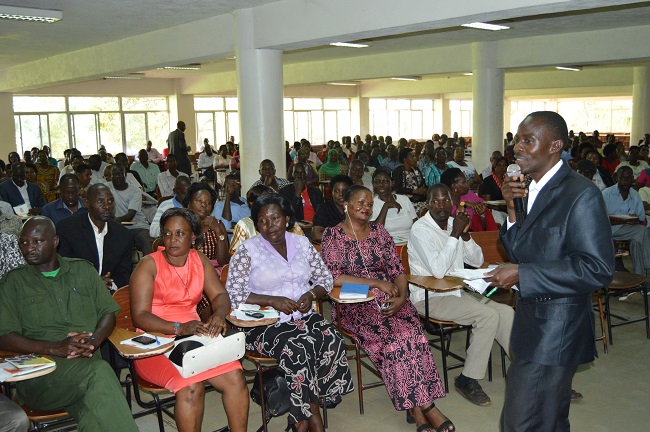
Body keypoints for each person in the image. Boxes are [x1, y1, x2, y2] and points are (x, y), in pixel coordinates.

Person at [485, 111, 614, 432]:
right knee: (549, 421)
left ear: (556, 145)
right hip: (532, 322)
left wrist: (523, 274)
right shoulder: (529, 189)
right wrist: (513, 210)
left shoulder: (580, 194)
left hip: (558, 329)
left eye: (529, 140)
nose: (518, 147)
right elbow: (520, 251)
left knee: (521, 423)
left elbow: (596, 268)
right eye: (517, 139)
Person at [321, 185, 454, 432]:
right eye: (360, 203)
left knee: (412, 333)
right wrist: (376, 282)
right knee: (397, 337)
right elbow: (333, 276)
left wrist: (403, 297)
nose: (366, 208)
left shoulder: (380, 233)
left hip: (391, 300)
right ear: (346, 205)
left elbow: (396, 269)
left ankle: (415, 405)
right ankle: (426, 408)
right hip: (355, 305)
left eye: (370, 204)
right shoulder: (333, 235)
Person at [226, 193, 353, 431]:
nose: (269, 225)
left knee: (332, 338)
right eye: (262, 220)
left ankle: (303, 413)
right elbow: (233, 292)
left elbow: (325, 279)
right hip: (264, 324)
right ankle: (309, 417)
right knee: (299, 348)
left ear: (286, 219)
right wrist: (271, 300)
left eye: (275, 218)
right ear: (256, 223)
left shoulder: (302, 243)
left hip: (303, 316)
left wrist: (311, 295)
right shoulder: (248, 250)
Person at [0, 217, 139, 432]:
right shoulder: (13, 282)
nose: (29, 249)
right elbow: (5, 336)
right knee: (100, 373)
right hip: (42, 378)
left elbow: (108, 312)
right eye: (24, 242)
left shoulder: (83, 271)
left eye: (37, 241)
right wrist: (56, 347)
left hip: (86, 370)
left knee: (95, 418)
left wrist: (95, 339)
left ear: (55, 241)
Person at [130, 208, 249, 432]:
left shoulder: (199, 259)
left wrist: (218, 315)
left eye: (179, 234)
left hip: (195, 337)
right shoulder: (149, 265)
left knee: (236, 378)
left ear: (193, 237)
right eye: (167, 233)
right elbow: (141, 316)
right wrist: (179, 327)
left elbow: (220, 295)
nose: (172, 240)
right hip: (155, 341)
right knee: (192, 387)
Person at [408, 183, 513, 407]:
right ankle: (467, 379)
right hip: (430, 297)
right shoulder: (420, 230)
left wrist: (464, 236)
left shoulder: (452, 225)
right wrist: (455, 234)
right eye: (435, 201)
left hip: (456, 292)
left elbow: (476, 261)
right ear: (428, 204)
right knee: (487, 316)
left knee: (506, 312)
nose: (441, 205)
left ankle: (526, 368)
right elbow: (437, 271)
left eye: (446, 200)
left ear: (453, 203)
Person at [57, 183, 134, 289]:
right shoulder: (67, 229)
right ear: (87, 203)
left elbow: (124, 273)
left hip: (109, 294)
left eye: (110, 201)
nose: (107, 206)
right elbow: (63, 267)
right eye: (100, 201)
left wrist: (110, 284)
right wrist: (93, 283)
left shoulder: (124, 235)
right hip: (76, 291)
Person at [602, 165, 650, 280]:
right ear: (616, 178)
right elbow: (599, 217)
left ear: (633, 179)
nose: (625, 181)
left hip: (629, 229)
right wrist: (614, 219)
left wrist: (634, 219)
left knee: (636, 241)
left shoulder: (634, 195)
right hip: (609, 229)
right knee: (641, 231)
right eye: (622, 178)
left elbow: (641, 218)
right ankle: (647, 263)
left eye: (628, 178)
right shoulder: (606, 194)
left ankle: (640, 278)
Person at [229, 185, 305, 255]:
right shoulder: (244, 225)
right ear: (252, 203)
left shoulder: (286, 221)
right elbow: (235, 254)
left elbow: (303, 249)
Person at [183, 182, 230, 271]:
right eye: (199, 201)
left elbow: (224, 262)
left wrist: (218, 231)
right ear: (189, 204)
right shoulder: (182, 225)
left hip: (212, 273)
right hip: (187, 272)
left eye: (208, 202)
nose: (204, 205)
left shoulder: (218, 224)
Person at [108, 164, 153, 255]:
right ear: (110, 176)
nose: (118, 177)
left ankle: (149, 268)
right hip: (117, 228)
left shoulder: (135, 191)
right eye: (115, 175)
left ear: (125, 175)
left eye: (120, 174)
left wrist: (115, 220)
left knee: (147, 241)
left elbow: (130, 216)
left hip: (138, 226)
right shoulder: (106, 188)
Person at [371, 167, 417, 241]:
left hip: (409, 243)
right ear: (373, 185)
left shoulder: (404, 199)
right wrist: (386, 206)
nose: (381, 185)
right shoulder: (371, 204)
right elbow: (376, 231)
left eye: (385, 181)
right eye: (377, 182)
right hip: (387, 246)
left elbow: (416, 224)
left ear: (392, 183)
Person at [312, 174, 353, 243]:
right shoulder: (324, 208)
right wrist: (343, 238)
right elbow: (316, 235)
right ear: (332, 192)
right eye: (337, 191)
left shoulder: (355, 208)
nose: (341, 194)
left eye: (344, 191)